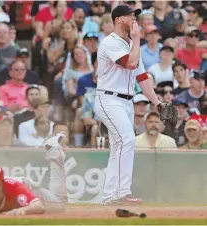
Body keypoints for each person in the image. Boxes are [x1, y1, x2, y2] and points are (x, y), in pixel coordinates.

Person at [94, 4, 162, 205]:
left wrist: (157, 102)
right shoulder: (110, 42)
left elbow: (141, 76)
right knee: (127, 139)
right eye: (129, 16)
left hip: (126, 101)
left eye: (135, 16)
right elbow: (130, 64)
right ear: (117, 20)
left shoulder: (130, 45)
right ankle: (122, 192)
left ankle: (109, 196)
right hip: (109, 98)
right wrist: (138, 40)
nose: (134, 19)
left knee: (118, 146)